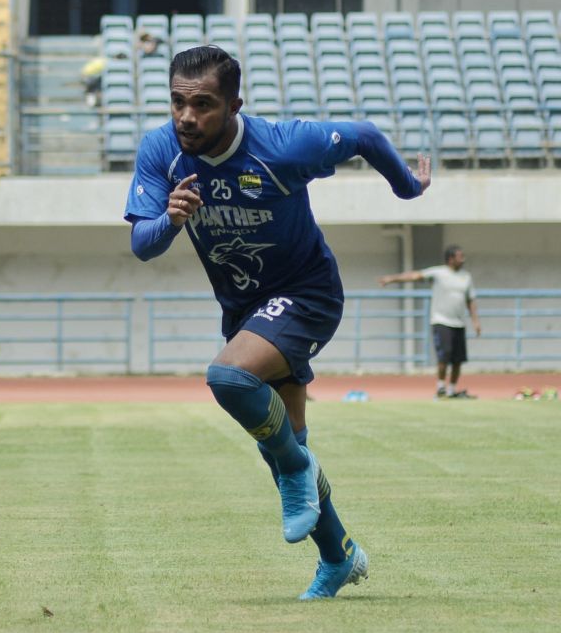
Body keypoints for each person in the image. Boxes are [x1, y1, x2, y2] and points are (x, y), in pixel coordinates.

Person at [124, 46, 432, 600]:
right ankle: (338, 556)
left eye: (203, 104)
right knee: (282, 440)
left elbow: (361, 134)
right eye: (177, 102)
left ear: (235, 104)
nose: (187, 117)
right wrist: (169, 220)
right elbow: (141, 244)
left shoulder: (283, 146)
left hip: (306, 294)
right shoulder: (161, 150)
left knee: (229, 379)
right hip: (245, 309)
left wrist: (407, 186)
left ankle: (296, 471)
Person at [379, 245, 480, 399]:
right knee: (444, 356)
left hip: (459, 323)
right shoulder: (438, 273)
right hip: (441, 321)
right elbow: (414, 276)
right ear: (451, 258)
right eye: (460, 256)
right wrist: (391, 279)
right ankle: (441, 388)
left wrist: (475, 321)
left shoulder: (466, 277)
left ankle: (452, 390)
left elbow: (470, 300)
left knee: (458, 360)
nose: (463, 259)